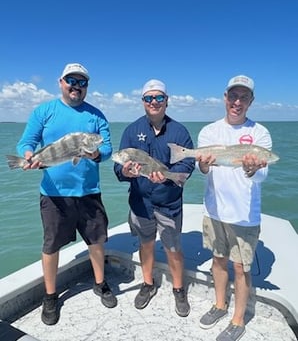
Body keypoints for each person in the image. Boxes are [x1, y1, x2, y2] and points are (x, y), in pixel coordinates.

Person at [16, 63, 117, 326]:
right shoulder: (44, 111)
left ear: (87, 87)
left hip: (89, 192)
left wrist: (96, 153)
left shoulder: (96, 115)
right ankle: (50, 296)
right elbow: (26, 142)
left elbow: (106, 149)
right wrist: (29, 156)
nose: (76, 86)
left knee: (96, 241)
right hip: (53, 194)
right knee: (51, 245)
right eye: (72, 80)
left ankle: (100, 283)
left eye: (82, 82)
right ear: (61, 81)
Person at [196, 75, 272, 341]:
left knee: (241, 268)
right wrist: (203, 164)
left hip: (245, 214)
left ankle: (238, 319)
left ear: (251, 101)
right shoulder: (209, 131)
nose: (237, 102)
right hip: (214, 210)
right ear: (225, 98)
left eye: (244, 97)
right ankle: (219, 304)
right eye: (233, 96)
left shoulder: (260, 133)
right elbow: (202, 169)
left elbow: (263, 175)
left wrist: (253, 168)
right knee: (218, 261)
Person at [113, 79, 195, 317]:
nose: (154, 102)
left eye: (159, 97)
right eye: (149, 98)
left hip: (169, 202)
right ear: (143, 102)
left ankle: (179, 289)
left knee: (172, 247)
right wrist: (125, 172)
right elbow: (119, 168)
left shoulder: (179, 131)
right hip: (140, 202)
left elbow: (188, 162)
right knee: (145, 245)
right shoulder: (131, 131)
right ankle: (148, 284)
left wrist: (168, 178)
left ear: (167, 101)